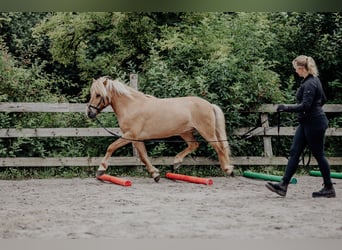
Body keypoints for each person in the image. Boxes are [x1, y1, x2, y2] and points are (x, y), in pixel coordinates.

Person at [265, 55, 336, 198]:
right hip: (307, 123)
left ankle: (329, 187)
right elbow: (323, 100)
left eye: (296, 68)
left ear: (302, 68)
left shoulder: (310, 83)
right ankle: (283, 185)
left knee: (319, 155)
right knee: (294, 152)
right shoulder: (311, 81)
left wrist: (285, 107)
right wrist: (308, 114)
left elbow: (306, 105)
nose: (296, 71)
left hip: (314, 124)